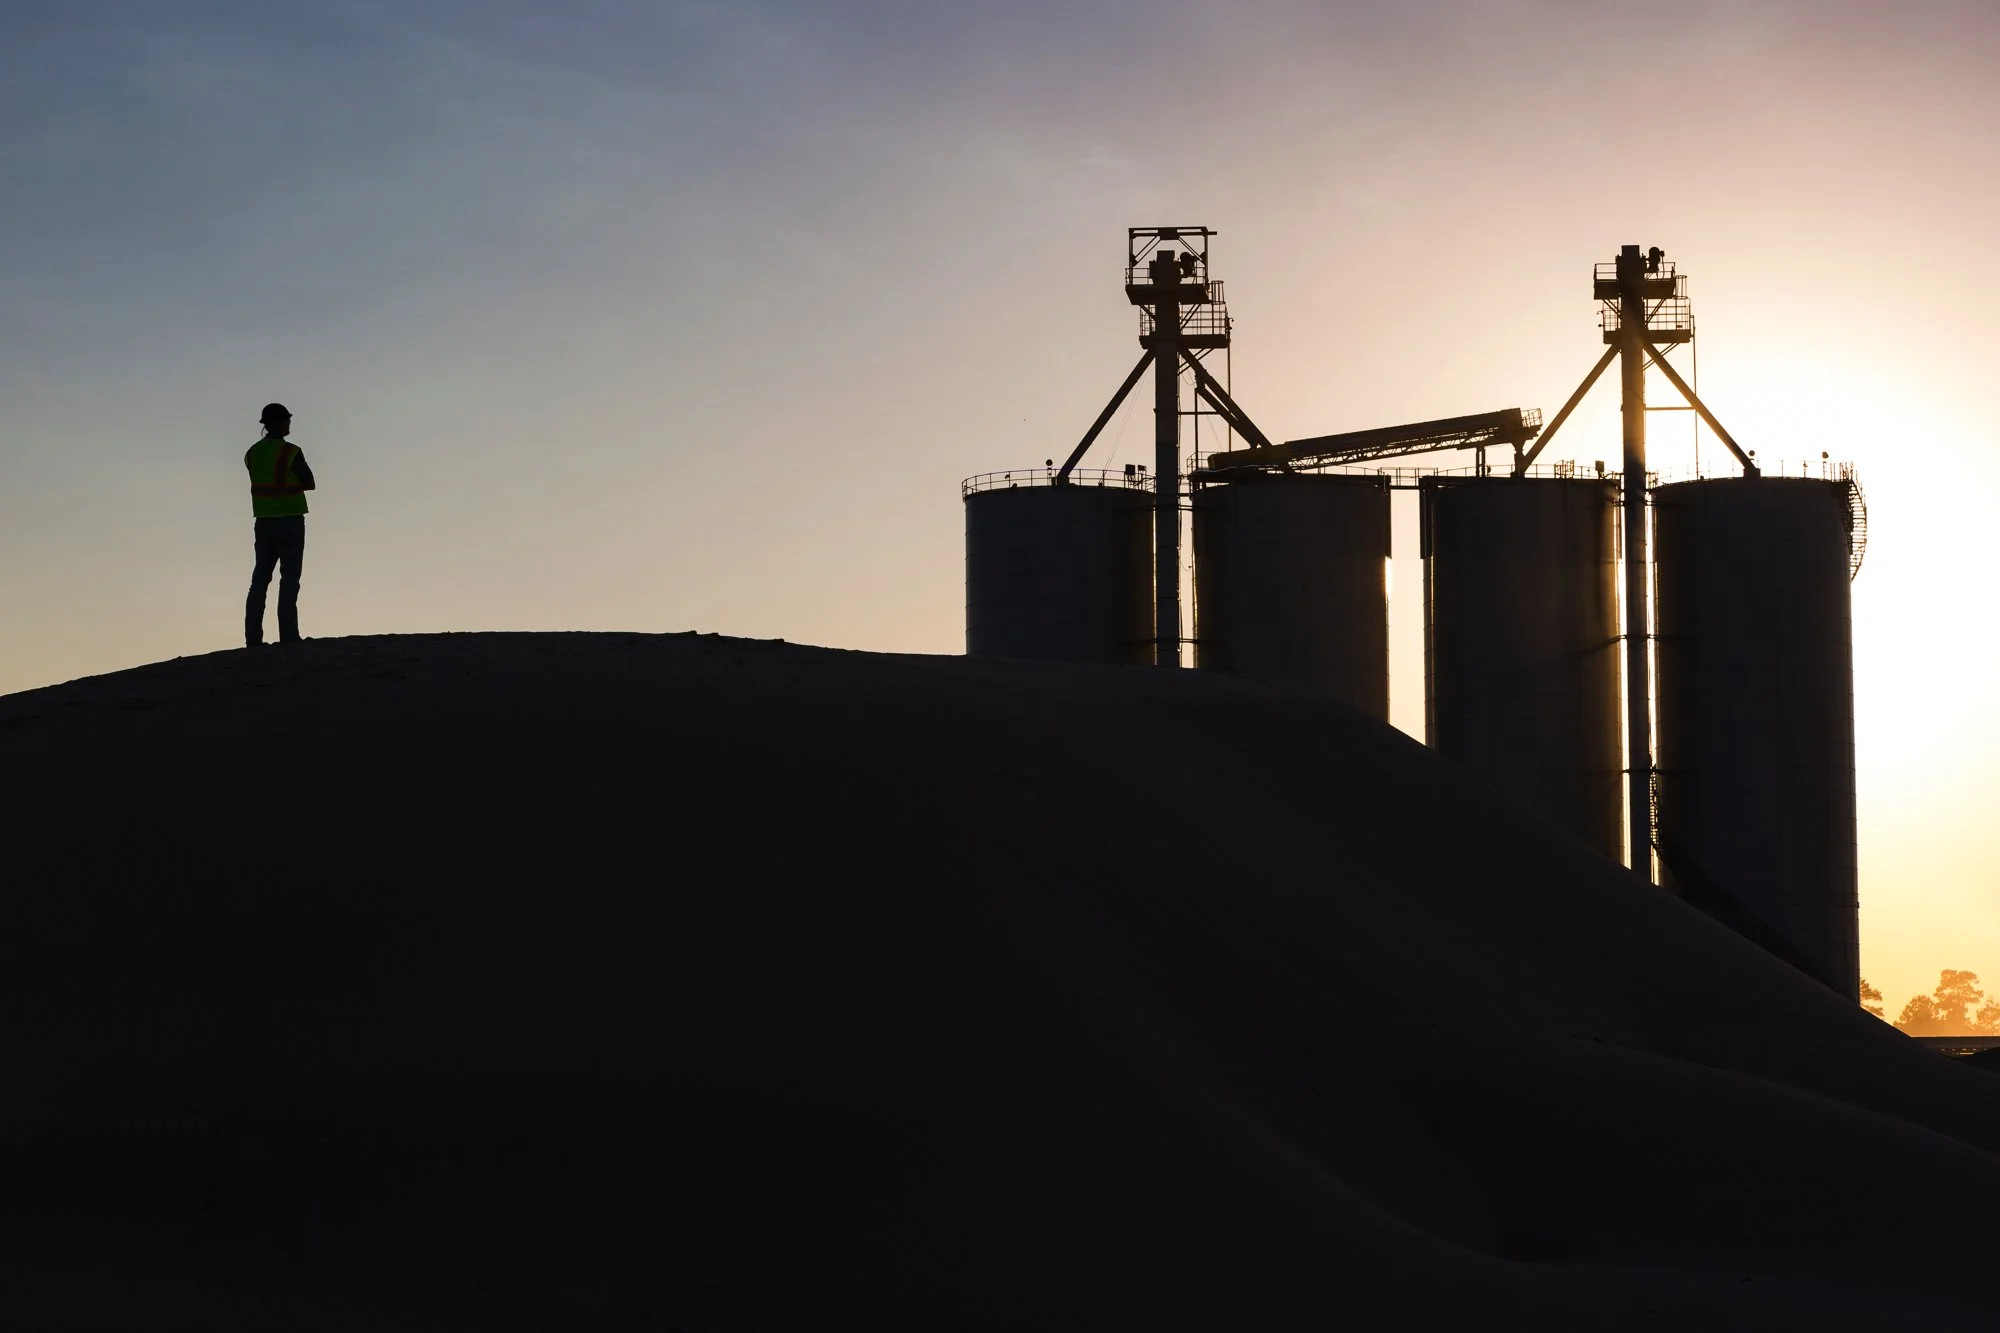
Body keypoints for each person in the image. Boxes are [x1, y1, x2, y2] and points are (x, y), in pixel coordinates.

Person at [243, 402, 316, 647]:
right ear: (279, 423)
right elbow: (309, 482)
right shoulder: (292, 452)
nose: (289, 424)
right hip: (290, 520)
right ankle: (289, 636)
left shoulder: (251, 453)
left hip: (263, 522)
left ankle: (253, 638)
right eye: (287, 420)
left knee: (260, 579)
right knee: (290, 578)